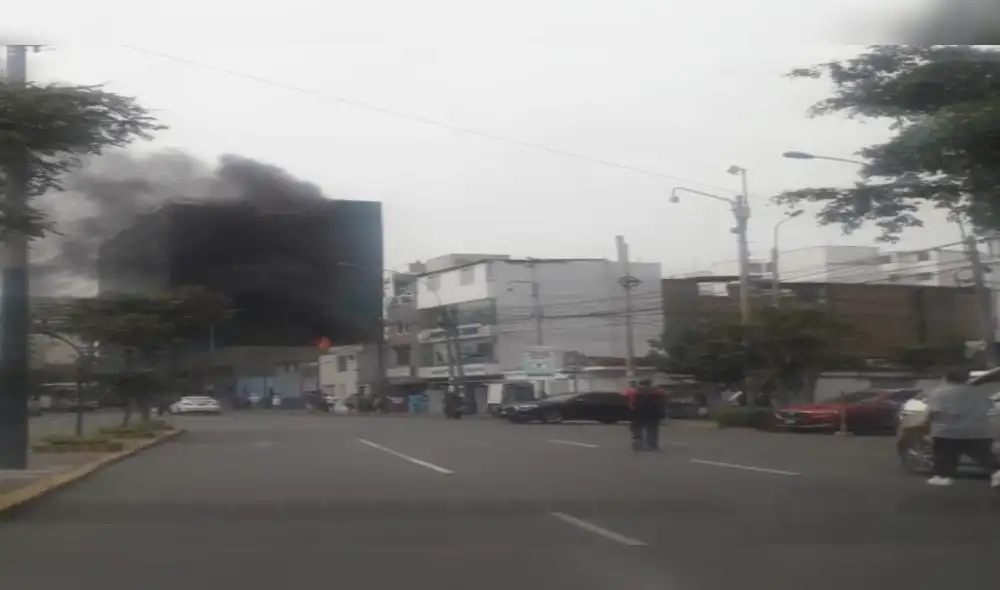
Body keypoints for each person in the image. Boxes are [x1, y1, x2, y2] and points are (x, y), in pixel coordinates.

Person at [925, 367, 1000, 488]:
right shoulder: (978, 392)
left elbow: (935, 412)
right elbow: (988, 408)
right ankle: (997, 472)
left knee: (944, 454)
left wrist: (927, 425)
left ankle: (944, 476)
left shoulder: (939, 393)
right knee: (983, 455)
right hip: (979, 430)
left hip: (948, 431)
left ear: (946, 378)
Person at [624, 379, 666, 451]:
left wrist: (631, 409)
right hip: (653, 412)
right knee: (652, 429)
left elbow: (627, 400)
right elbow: (663, 401)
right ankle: (651, 444)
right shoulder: (658, 391)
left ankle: (637, 440)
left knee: (636, 426)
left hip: (638, 411)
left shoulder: (633, 391)